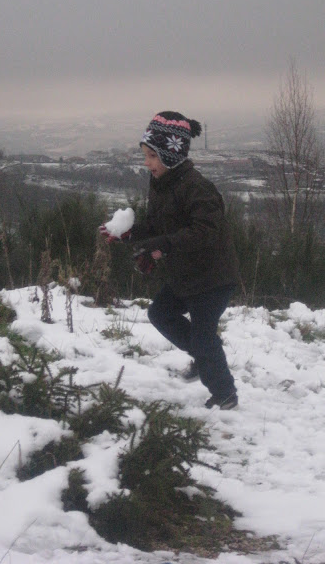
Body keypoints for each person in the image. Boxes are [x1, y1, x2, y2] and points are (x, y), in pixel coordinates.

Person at [101, 111, 239, 410]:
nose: (146, 163)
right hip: (185, 274)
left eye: (152, 156)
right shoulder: (162, 185)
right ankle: (204, 356)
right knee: (160, 314)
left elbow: (206, 232)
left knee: (203, 338)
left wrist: (162, 246)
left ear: (171, 154)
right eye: (145, 155)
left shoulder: (198, 188)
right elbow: (157, 226)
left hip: (212, 278)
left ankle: (224, 393)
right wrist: (129, 234)